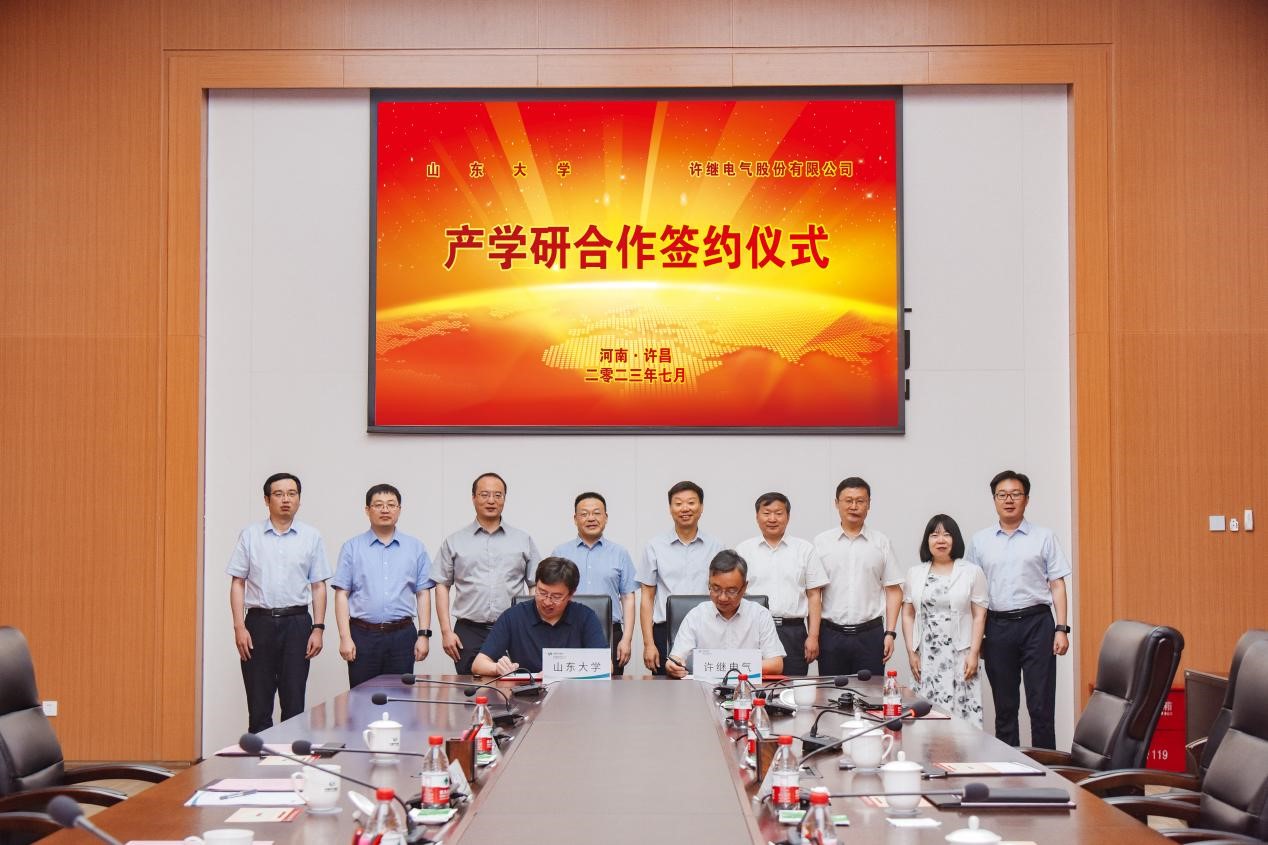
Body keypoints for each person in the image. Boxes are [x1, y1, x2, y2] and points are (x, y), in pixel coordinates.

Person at [966, 470, 1072, 748]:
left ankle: (1048, 768)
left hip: (1038, 625)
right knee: (1005, 708)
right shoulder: (980, 541)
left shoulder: (1044, 537)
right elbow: (974, 594)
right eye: (1002, 495)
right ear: (994, 500)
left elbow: (1057, 585)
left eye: (1015, 494)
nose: (1009, 500)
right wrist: (976, 639)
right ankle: (1008, 766)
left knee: (1041, 706)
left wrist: (1061, 628)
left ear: (1026, 499)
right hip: (997, 627)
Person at [226, 472, 331, 733]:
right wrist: (239, 627)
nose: (286, 499)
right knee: (259, 703)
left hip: (297, 624)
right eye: (279, 494)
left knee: (294, 702)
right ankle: (259, 757)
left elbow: (318, 585)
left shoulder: (311, 536)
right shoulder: (250, 535)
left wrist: (318, 628)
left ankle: (291, 756)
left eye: (292, 494)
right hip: (258, 624)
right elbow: (238, 582)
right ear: (267, 499)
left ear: (299, 499)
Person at [435, 472, 541, 674]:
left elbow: (535, 584)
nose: (491, 500)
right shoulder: (455, 541)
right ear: (473, 497)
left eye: (497, 495)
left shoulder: (522, 539)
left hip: (513, 628)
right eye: (484, 494)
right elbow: (442, 585)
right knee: (470, 687)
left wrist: (530, 624)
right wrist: (446, 631)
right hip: (469, 630)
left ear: (504, 499)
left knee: (516, 685)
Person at [330, 483, 434, 688]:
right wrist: (345, 637)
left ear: (399, 509)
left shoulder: (415, 547)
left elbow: (423, 593)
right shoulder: (352, 547)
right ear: (367, 510)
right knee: (361, 698)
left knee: (401, 697)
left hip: (402, 635)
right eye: (378, 505)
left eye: (391, 505)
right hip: (362, 635)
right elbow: (341, 594)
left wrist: (424, 635)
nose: (385, 510)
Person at [901, 514, 988, 727]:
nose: (941, 540)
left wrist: (974, 653)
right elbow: (908, 614)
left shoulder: (971, 572)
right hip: (926, 654)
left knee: (962, 716)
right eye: (934, 535)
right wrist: (911, 652)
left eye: (947, 534)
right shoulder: (915, 573)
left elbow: (980, 615)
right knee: (926, 715)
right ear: (927, 540)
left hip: (961, 654)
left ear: (955, 539)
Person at [812, 477, 903, 676]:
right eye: (848, 500)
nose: (854, 506)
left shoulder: (881, 542)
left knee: (870, 692)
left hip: (870, 635)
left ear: (868, 504)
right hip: (830, 635)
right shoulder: (821, 543)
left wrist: (890, 633)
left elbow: (894, 591)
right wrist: (813, 635)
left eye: (860, 501)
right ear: (836, 503)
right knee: (831, 693)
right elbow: (813, 592)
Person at [734, 492, 828, 676]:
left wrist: (813, 636)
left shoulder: (805, 550)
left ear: (788, 516)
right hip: (753, 630)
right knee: (752, 683)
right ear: (757, 516)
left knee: (793, 686)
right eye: (766, 513)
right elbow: (736, 594)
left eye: (778, 513)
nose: (772, 519)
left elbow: (814, 595)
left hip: (792, 632)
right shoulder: (743, 550)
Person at [638, 480, 723, 675]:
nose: (685, 508)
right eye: (678, 503)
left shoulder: (716, 546)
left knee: (709, 683)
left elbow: (723, 592)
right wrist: (649, 643)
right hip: (666, 630)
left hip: (707, 629)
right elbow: (647, 598)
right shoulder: (654, 546)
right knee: (664, 690)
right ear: (670, 508)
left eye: (691, 502)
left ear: (701, 507)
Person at [550, 492, 638, 675]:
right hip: (567, 629)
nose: (591, 518)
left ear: (606, 517)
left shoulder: (620, 553)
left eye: (597, 513)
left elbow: (628, 597)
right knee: (565, 686)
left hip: (610, 631)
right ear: (575, 519)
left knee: (610, 687)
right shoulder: (560, 552)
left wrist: (627, 638)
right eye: (584, 514)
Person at [471, 557, 608, 675]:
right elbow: (478, 664)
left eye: (556, 597)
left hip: (572, 692)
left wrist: (557, 672)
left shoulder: (585, 617)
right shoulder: (513, 617)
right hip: (525, 693)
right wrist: (497, 668)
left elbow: (607, 666)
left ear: (571, 595)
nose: (547, 602)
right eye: (542, 592)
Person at [666, 550, 785, 679]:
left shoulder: (760, 615)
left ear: (744, 587)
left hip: (747, 687)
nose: (722, 597)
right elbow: (674, 659)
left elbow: (776, 664)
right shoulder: (696, 616)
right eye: (716, 588)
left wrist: (727, 668)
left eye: (731, 591)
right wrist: (672, 666)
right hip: (703, 688)